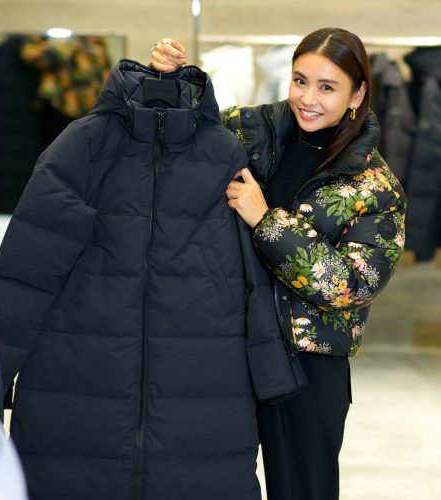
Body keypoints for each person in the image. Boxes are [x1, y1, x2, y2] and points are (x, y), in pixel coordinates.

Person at [151, 27, 407, 500]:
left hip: (307, 366)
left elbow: (350, 286)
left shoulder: (376, 187)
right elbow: (180, 132)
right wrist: (167, 78)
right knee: (204, 482)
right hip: (226, 347)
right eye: (299, 80)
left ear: (357, 95)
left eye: (327, 87)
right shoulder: (250, 130)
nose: (307, 98)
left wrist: (266, 220)